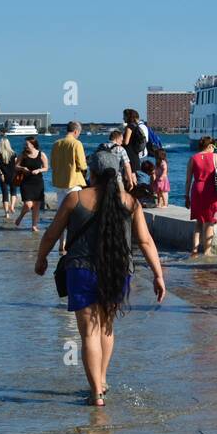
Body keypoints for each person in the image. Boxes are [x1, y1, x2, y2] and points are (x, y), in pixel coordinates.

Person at [34, 167, 166, 407]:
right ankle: (102, 379)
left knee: (88, 334)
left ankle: (96, 392)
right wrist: (158, 275)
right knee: (106, 327)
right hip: (117, 271)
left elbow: (52, 234)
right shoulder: (129, 201)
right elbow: (145, 241)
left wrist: (41, 258)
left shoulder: (75, 198)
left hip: (81, 270)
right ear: (117, 177)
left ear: (92, 175)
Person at [184, 136, 217, 257]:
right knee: (210, 221)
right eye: (214, 147)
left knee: (199, 222)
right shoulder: (216, 157)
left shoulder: (193, 158)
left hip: (197, 190)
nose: (214, 149)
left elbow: (188, 180)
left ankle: (195, 250)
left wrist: (186, 196)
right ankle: (207, 251)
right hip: (210, 190)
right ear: (210, 146)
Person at [50, 122, 88, 246]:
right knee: (75, 214)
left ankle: (62, 242)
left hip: (59, 182)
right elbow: (82, 165)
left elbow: (52, 164)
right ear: (76, 131)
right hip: (73, 182)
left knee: (61, 214)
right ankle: (72, 243)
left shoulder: (56, 143)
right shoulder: (76, 143)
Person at [15, 136, 48, 232]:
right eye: (25, 144)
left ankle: (34, 226)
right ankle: (21, 216)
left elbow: (46, 168)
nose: (25, 146)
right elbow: (16, 166)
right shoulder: (22, 154)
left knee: (37, 205)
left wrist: (39, 170)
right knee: (28, 204)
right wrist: (22, 168)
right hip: (26, 182)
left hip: (38, 182)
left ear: (33, 144)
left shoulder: (41, 154)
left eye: (27, 144)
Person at [0, 137, 19, 220]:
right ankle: (12, 207)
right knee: (13, 191)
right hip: (13, 175)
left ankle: (7, 214)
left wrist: (0, 172)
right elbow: (17, 164)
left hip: (3, 176)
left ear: (0, 144)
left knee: (5, 194)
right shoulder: (13, 153)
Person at [121, 109, 151, 174]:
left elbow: (126, 142)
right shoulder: (136, 126)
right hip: (136, 153)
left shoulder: (129, 127)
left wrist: (118, 143)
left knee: (131, 174)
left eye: (124, 116)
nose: (123, 118)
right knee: (135, 174)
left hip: (130, 154)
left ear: (128, 117)